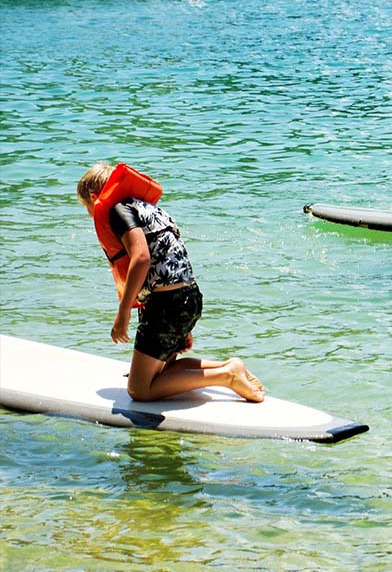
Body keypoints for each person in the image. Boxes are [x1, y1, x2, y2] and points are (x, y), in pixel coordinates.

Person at [76, 161, 265, 403]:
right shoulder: (146, 209)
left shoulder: (118, 210)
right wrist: (181, 326)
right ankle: (229, 365)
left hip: (168, 305)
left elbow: (142, 259)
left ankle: (226, 376)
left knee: (139, 390)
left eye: (88, 208)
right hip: (188, 298)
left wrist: (122, 313)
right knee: (160, 374)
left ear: (94, 196)